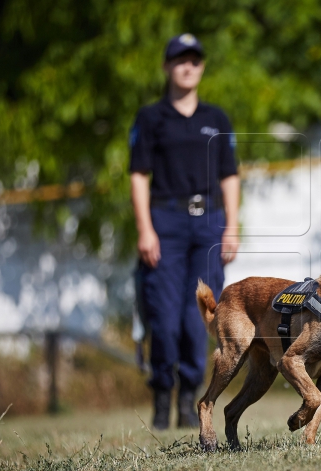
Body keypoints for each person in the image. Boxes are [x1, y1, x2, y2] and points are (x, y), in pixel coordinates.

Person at [129, 33, 239, 430]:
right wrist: (145, 229)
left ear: (202, 66)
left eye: (194, 59)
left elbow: (230, 175)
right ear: (167, 67)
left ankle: (191, 395)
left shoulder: (217, 119)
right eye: (179, 60)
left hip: (208, 223)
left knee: (203, 316)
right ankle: (162, 394)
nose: (187, 66)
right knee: (165, 317)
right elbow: (139, 176)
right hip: (166, 223)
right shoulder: (150, 118)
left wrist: (231, 226)